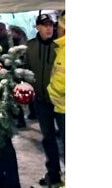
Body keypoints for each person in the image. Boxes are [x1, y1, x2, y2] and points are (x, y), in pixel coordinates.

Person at [25, 13, 63, 186]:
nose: (49, 28)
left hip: (61, 101)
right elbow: (24, 70)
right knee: (48, 138)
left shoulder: (60, 46)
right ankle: (53, 173)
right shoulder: (29, 47)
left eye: (51, 25)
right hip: (41, 102)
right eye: (45, 25)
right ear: (37, 27)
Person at [48, 12, 66, 164]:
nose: (56, 29)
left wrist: (50, 91)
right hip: (60, 107)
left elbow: (61, 81)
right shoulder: (61, 48)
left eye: (58, 27)